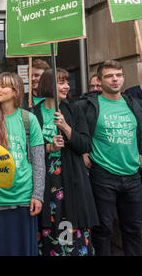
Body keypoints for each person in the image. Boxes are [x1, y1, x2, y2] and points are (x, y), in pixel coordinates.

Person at [0, 72, 45, 256]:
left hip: (23, 196)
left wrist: (38, 194)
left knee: (25, 249)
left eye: (3, 86)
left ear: (16, 91)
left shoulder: (29, 120)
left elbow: (38, 160)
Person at [76, 60, 142, 256]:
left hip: (133, 176)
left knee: (135, 229)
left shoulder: (135, 104)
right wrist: (83, 152)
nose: (115, 79)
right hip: (103, 175)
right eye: (109, 76)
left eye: (118, 75)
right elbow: (79, 134)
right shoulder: (87, 106)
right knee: (103, 229)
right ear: (99, 80)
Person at [33, 68, 99, 256]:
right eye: (61, 82)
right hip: (45, 181)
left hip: (71, 179)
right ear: (48, 84)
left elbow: (85, 144)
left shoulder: (74, 110)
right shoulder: (33, 114)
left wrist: (65, 127)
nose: (67, 86)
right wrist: (49, 147)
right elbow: (28, 150)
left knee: (68, 220)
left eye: (67, 82)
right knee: (50, 222)